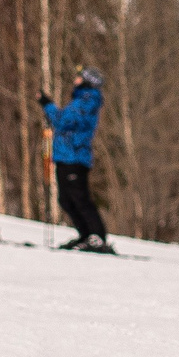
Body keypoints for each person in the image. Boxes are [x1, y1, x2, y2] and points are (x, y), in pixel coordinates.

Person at [42, 66, 110, 251]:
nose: (76, 79)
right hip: (65, 155)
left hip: (75, 156)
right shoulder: (81, 99)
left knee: (79, 197)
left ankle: (97, 236)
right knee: (66, 199)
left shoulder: (88, 100)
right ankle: (86, 234)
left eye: (80, 77)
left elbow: (63, 120)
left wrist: (48, 105)